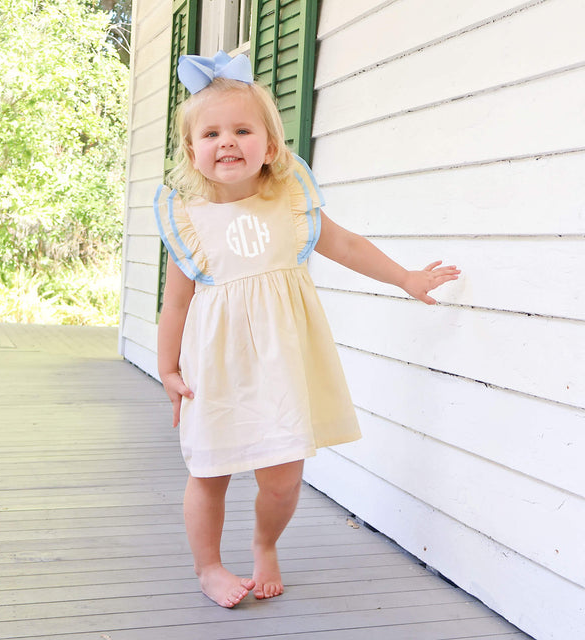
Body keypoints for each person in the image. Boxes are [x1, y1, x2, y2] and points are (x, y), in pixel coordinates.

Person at [154, 50, 460, 608]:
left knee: (282, 478)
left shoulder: (289, 201)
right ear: (193, 152)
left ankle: (265, 543)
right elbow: (175, 304)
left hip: (282, 364)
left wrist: (406, 278)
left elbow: (346, 245)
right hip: (216, 368)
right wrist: (168, 368)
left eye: (242, 130)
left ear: (270, 146)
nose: (227, 142)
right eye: (212, 133)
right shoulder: (187, 217)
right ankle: (209, 567)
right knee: (209, 472)